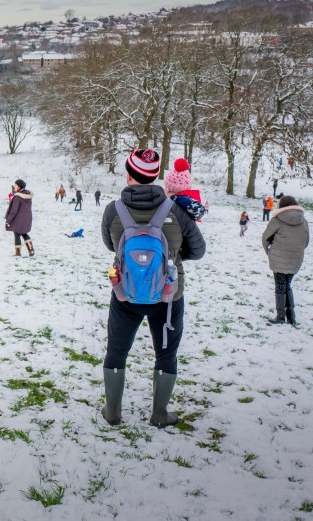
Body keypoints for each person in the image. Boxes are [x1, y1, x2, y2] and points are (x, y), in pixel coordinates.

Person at [100, 149, 206, 428]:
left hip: (125, 292)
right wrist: (172, 254)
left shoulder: (114, 210)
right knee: (166, 353)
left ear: (129, 174)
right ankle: (159, 414)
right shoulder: (177, 211)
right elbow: (198, 250)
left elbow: (111, 246)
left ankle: (112, 413)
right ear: (156, 176)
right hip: (168, 296)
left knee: (117, 350)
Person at [262, 195, 309, 326]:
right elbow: (306, 241)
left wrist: (270, 253)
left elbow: (265, 238)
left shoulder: (277, 220)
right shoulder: (303, 221)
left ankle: (281, 316)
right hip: (295, 259)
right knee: (287, 285)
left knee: (280, 286)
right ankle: (291, 317)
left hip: (278, 258)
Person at [5, 179, 34, 257]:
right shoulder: (27, 194)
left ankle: (17, 253)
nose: (14, 187)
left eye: (15, 185)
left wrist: (8, 220)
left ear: (18, 186)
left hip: (18, 219)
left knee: (17, 234)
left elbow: (14, 210)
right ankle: (31, 250)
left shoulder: (18, 197)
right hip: (27, 218)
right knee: (24, 233)